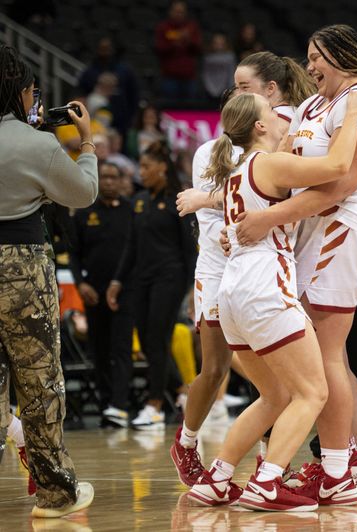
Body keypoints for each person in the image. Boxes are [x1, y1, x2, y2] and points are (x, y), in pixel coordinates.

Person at [232, 24, 357, 505]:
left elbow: (345, 181)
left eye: (316, 57)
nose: (308, 66)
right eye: (307, 57)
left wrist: (271, 217)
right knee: (325, 361)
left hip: (343, 232)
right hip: (312, 231)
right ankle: (348, 464)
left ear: (344, 57)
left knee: (326, 359)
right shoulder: (312, 105)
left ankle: (340, 470)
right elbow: (280, 161)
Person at [187, 90, 357, 511]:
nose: (279, 114)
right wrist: (353, 115)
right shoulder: (268, 164)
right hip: (264, 289)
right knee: (313, 392)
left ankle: (217, 478)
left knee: (275, 396)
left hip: (232, 294)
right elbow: (338, 166)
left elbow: (281, 166)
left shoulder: (239, 169)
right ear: (258, 125)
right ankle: (266, 482)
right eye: (271, 112)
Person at [171, 51, 316, 488]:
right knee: (215, 368)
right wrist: (211, 207)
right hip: (220, 267)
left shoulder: (270, 141)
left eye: (243, 86)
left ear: (269, 92)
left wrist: (206, 199)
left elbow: (250, 195)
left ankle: (264, 461)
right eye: (235, 88)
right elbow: (241, 202)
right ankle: (189, 441)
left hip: (246, 264)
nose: (236, 92)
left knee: (273, 379)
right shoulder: (210, 152)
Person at [0, 44, 96, 518]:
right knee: (39, 382)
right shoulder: (38, 142)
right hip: (22, 266)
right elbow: (83, 192)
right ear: (21, 91)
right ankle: (56, 494)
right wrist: (88, 144)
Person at [107, 142, 198, 429]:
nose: (141, 172)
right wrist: (117, 280)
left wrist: (194, 288)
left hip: (170, 279)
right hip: (141, 280)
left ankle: (155, 404)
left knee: (158, 339)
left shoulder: (178, 201)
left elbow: (189, 250)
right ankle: (183, 392)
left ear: (162, 168)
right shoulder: (140, 200)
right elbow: (130, 247)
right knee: (147, 342)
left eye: (146, 167)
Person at [69, 161, 134, 428]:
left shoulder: (132, 211)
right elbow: (73, 253)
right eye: (103, 177)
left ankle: (119, 406)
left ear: (120, 181)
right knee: (99, 350)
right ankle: (106, 402)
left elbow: (136, 252)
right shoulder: (84, 213)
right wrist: (79, 284)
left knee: (121, 348)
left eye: (112, 177)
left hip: (124, 292)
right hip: (93, 292)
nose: (107, 182)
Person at [78, 37, 140, 138]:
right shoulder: (89, 72)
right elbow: (81, 94)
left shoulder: (125, 71)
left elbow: (133, 96)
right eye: (102, 48)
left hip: (121, 123)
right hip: (96, 124)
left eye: (107, 48)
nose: (105, 52)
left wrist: (132, 118)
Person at [155, 0, 202, 100]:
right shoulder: (164, 27)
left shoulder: (192, 27)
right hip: (169, 77)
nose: (179, 14)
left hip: (189, 77)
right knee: (170, 106)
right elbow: (159, 48)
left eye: (181, 12)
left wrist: (188, 40)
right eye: (176, 11)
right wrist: (176, 42)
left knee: (189, 110)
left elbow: (198, 49)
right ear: (170, 12)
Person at [201, 34, 237, 100]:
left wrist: (230, 89)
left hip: (226, 90)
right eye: (216, 43)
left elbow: (231, 73)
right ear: (212, 44)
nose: (219, 46)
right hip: (209, 90)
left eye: (221, 43)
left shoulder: (230, 57)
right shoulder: (207, 58)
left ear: (225, 44)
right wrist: (209, 88)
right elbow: (205, 74)